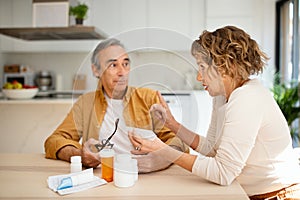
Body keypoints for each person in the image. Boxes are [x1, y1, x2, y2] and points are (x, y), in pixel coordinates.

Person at [128, 26, 300, 199]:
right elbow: (211, 148)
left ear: (227, 66)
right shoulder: (222, 97)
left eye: (202, 67)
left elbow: (223, 173)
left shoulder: (247, 97)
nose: (199, 77)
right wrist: (172, 124)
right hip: (250, 193)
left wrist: (163, 150)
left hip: (278, 195)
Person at [44, 38, 189, 173]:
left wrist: (161, 159)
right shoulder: (85, 103)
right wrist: (79, 154)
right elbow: (54, 141)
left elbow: (179, 141)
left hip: (148, 177)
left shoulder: (149, 98)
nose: (122, 72)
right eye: (113, 65)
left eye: (125, 64)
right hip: (104, 178)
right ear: (96, 70)